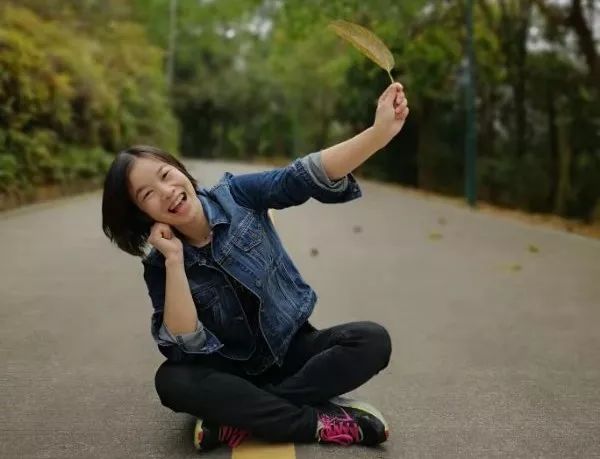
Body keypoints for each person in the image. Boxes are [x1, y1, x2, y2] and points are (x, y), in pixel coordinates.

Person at [101, 82, 409, 451]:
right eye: (148, 194)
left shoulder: (237, 194)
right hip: (228, 373)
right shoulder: (160, 264)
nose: (166, 191)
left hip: (291, 352)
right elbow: (186, 347)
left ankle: (241, 416)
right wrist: (174, 260)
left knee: (371, 340)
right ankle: (314, 422)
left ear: (180, 170)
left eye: (165, 176)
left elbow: (300, 176)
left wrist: (377, 135)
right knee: (171, 381)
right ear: (143, 214)